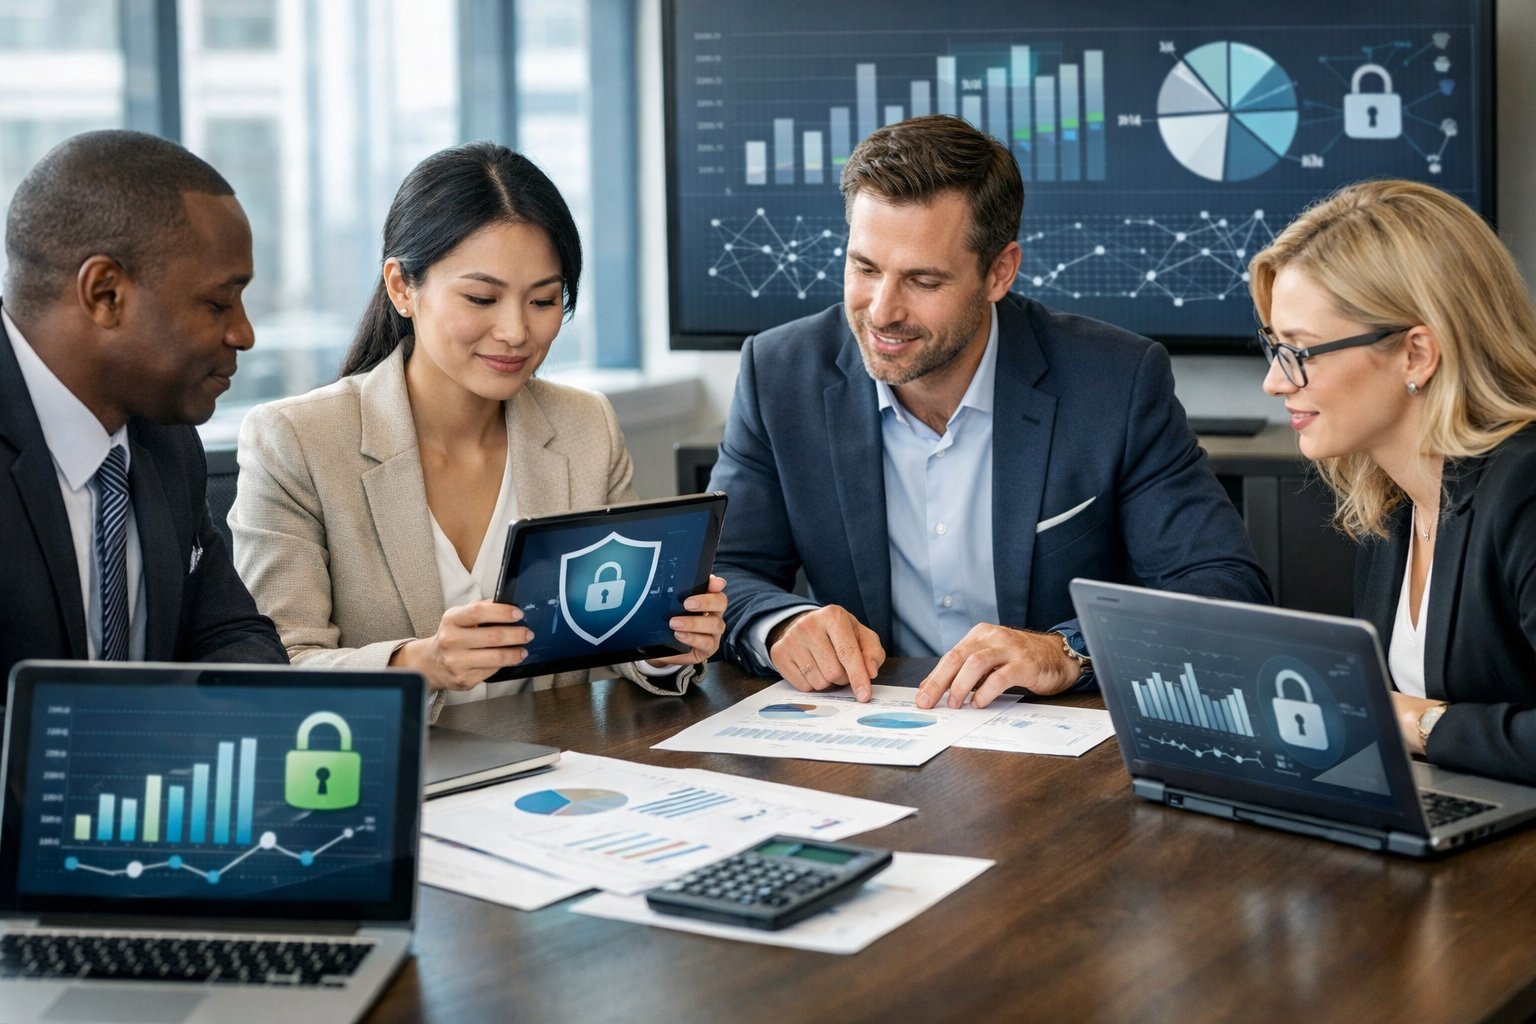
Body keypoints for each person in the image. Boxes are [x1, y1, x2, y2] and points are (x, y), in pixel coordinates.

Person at [708, 114, 1269, 710]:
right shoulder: (779, 374)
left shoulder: (1116, 381)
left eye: (923, 281)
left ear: (1000, 272)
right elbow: (724, 572)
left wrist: (1067, 651)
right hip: (869, 731)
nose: (882, 310)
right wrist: (782, 624)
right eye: (865, 268)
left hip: (1053, 735)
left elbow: (1224, 589)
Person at [231, 142, 725, 722]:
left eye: (543, 299)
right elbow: (276, 672)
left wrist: (665, 647)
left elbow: (615, 633)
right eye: (481, 298)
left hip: (559, 764)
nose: (516, 331)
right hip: (391, 766)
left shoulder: (584, 426)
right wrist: (421, 663)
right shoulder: (296, 441)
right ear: (402, 287)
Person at [1252, 179, 1536, 785]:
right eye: (1275, 347)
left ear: (1416, 355)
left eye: (1302, 352)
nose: (1274, 382)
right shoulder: (1389, 495)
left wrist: (1418, 722)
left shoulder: (1525, 488)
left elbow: (1397, 715)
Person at [0, 129, 286, 680]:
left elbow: (231, 633)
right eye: (218, 303)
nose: (244, 334)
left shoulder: (167, 437)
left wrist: (164, 722)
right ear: (105, 294)